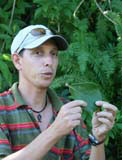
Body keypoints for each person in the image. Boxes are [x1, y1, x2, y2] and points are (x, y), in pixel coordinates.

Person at [0, 24, 117, 160]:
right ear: (17, 61)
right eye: (38, 53)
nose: (49, 61)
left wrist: (98, 139)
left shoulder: (68, 112)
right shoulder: (2, 107)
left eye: (53, 54)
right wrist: (55, 131)